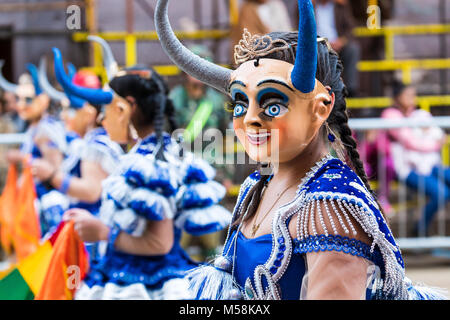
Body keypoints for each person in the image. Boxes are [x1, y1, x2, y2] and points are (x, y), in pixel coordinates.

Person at [155, 0, 447, 300]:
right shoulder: (258, 185)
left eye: (272, 104)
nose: (250, 118)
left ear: (320, 109)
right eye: (240, 103)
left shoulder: (331, 205)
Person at [58, 64, 231, 300]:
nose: (101, 118)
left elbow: (159, 243)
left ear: (122, 109)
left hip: (143, 286)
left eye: (105, 110)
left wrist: (102, 232)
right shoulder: (164, 152)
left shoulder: (149, 163)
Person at [30, 52, 125, 245]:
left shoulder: (97, 145)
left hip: (92, 238)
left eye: (72, 110)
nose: (65, 116)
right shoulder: (89, 142)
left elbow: (91, 192)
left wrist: (52, 176)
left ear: (89, 114)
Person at [169, 44, 232, 261]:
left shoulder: (216, 101)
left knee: (211, 237)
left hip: (210, 174)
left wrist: (225, 175)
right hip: (182, 173)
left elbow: (224, 138)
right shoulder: (174, 99)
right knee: (179, 236)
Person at [0, 63, 68, 239]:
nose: (21, 105)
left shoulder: (46, 130)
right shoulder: (35, 128)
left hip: (50, 206)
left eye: (28, 100)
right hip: (36, 206)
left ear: (43, 100)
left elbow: (55, 169)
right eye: (19, 99)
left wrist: (22, 157)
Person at [381, 80, 450, 237]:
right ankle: (419, 231)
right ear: (398, 97)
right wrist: (435, 144)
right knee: (441, 193)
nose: (413, 98)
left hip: (429, 165)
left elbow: (436, 134)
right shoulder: (390, 115)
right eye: (408, 95)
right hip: (406, 168)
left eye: (414, 95)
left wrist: (431, 139)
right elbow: (410, 142)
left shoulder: (418, 114)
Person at [312, 0, 360, 97]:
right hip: (317, 45)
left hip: (339, 44)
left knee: (353, 49)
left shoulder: (340, 6)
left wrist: (342, 41)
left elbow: (351, 28)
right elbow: (299, 28)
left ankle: (351, 88)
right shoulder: (309, 5)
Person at [230, 0, 292, 65]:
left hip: (280, 52)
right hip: (260, 59)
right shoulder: (248, 9)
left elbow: (286, 31)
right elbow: (250, 41)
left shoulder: (276, 5)